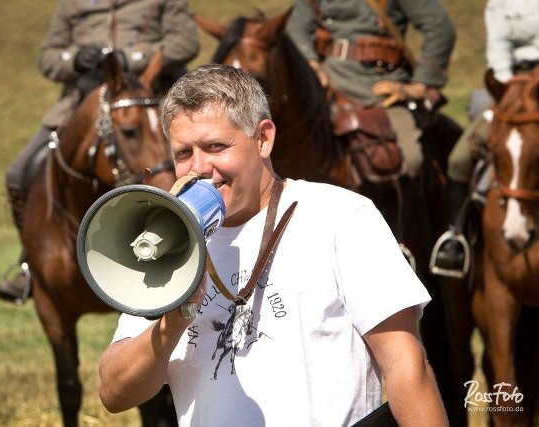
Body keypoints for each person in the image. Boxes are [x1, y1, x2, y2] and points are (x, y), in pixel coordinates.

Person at [97, 64, 448, 426]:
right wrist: (174, 322)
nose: (199, 168)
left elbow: (406, 366)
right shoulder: (169, 241)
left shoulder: (341, 217)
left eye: (216, 146)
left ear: (263, 138)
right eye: (184, 153)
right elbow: (114, 392)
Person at [0, 0, 200, 303]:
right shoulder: (72, 4)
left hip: (150, 102)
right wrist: (76, 60)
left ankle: (203, 247)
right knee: (18, 172)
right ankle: (30, 262)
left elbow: (186, 42)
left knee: (197, 164)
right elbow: (48, 57)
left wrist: (128, 59)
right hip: (85, 105)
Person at [285, 0, 455, 181]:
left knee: (410, 160)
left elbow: (440, 28)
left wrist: (420, 85)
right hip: (329, 85)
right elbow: (295, 27)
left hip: (380, 90)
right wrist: (312, 64)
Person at [430, 0, 539, 276]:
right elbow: (499, 53)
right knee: (459, 159)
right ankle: (455, 239)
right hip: (513, 87)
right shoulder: (500, 4)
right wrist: (510, 93)